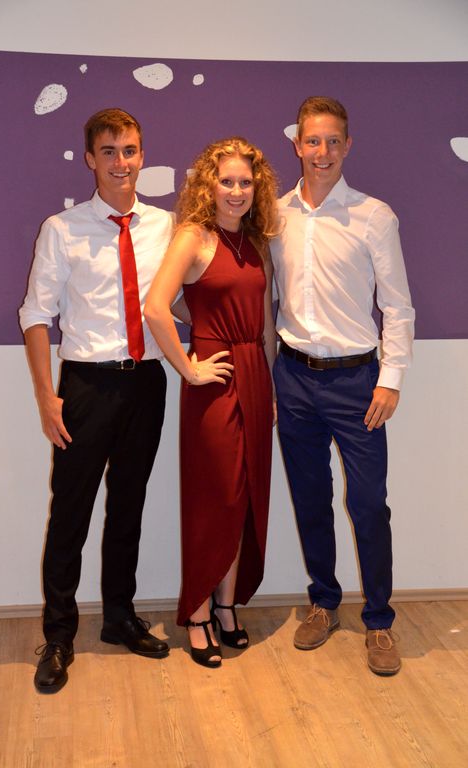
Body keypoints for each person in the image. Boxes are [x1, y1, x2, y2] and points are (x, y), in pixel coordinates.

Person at [19, 108, 174, 693]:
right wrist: (46, 397)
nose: (120, 162)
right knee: (71, 513)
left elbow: (177, 301)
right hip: (85, 386)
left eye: (129, 150)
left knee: (128, 506)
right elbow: (35, 315)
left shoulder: (166, 226)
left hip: (147, 383)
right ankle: (59, 635)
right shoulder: (62, 230)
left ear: (143, 155)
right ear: (90, 159)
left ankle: (119, 617)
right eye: (108, 151)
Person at [271, 97, 415, 676]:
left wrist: (391, 379)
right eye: (313, 140)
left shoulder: (374, 216)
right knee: (310, 498)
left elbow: (398, 306)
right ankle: (323, 603)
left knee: (368, 504)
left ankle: (378, 621)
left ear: (347, 146)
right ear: (297, 145)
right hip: (293, 378)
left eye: (333, 141)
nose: (323, 151)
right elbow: (264, 298)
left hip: (358, 382)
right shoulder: (274, 215)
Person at [144, 137, 280, 668]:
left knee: (245, 498)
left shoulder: (256, 242)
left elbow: (265, 324)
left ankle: (226, 607)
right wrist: (190, 365)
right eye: (227, 181)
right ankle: (197, 612)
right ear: (209, 184)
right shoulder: (193, 236)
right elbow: (156, 306)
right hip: (214, 383)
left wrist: (270, 387)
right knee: (215, 497)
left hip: (255, 375)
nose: (237, 191)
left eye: (246, 182)